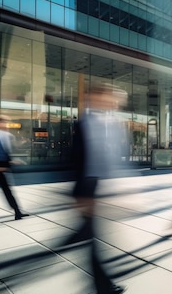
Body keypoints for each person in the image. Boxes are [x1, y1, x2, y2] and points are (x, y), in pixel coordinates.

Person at [69, 84, 128, 294]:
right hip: (88, 187)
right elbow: (77, 159)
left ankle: (75, 236)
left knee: (92, 234)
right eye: (110, 98)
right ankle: (102, 286)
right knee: (95, 240)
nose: (115, 102)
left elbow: (112, 159)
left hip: (101, 187)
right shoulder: (84, 123)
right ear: (96, 98)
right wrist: (82, 195)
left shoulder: (110, 122)